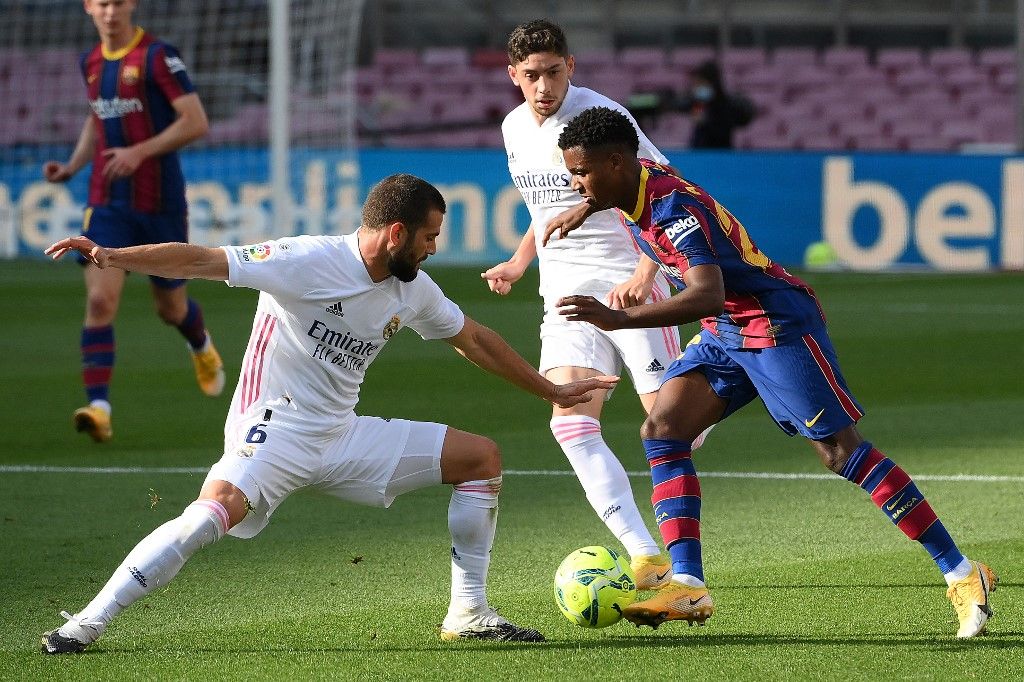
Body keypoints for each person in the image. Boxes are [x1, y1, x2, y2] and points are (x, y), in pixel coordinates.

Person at [40, 173, 617, 653]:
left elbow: (474, 339)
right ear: (397, 231)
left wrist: (549, 389)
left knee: (481, 459)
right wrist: (111, 255)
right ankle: (84, 624)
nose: (434, 248)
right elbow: (202, 260)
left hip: (342, 437)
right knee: (208, 516)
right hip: (273, 431)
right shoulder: (306, 259)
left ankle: (469, 612)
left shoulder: (410, 288)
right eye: (429, 235)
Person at [547, 106, 997, 639]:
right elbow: (709, 296)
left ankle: (964, 573)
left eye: (581, 173)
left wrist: (617, 318)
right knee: (663, 430)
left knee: (842, 454)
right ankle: (688, 583)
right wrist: (583, 207)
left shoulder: (672, 206)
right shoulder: (628, 195)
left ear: (618, 162)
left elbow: (706, 292)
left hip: (774, 324)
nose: (574, 183)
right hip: (727, 332)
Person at [482, 19, 708, 591]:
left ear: (570, 67)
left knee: (675, 426)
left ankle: (715, 360)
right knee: (570, 422)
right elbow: (544, 211)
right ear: (512, 75)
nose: (542, 86)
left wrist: (643, 271)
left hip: (628, 285)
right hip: (564, 295)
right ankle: (644, 553)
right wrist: (517, 262)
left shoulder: (600, 118)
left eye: (552, 72)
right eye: (530, 75)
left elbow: (665, 188)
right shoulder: (513, 129)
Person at [42, 0, 223, 443]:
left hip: (159, 203)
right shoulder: (89, 62)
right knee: (101, 303)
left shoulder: (158, 57)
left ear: (132, 5)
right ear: (89, 7)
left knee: (171, 309)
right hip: (108, 205)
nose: (110, 12)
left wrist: (140, 152)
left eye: (118, 2)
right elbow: (96, 120)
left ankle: (200, 343)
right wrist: (72, 166)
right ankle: (99, 408)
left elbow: (196, 122)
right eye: (102, 3)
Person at [678, 60, 755, 149]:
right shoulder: (699, 103)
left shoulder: (724, 105)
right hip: (699, 154)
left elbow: (722, 132)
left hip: (719, 155)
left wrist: (705, 122)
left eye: (701, 83)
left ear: (711, 83)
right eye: (696, 84)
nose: (697, 87)